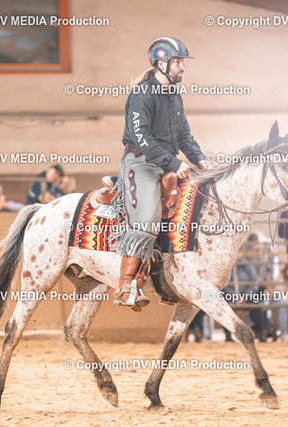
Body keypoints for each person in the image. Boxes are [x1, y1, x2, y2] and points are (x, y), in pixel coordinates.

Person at [110, 37, 209, 311]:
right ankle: (126, 286)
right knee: (148, 217)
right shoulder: (142, 95)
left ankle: (167, 280)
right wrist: (174, 163)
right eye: (178, 62)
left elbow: (184, 135)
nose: (182, 68)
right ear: (161, 63)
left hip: (167, 163)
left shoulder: (174, 95)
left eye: (182, 63)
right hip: (141, 162)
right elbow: (143, 138)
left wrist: (200, 159)